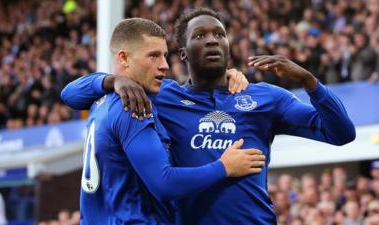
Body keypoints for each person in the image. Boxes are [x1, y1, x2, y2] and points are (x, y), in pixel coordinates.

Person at [61, 8, 356, 225]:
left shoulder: (267, 97)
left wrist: (309, 81)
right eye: (200, 36)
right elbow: (71, 94)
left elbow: (341, 134)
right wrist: (113, 81)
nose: (213, 40)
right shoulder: (160, 97)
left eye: (220, 34)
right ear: (183, 53)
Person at [61, 17, 266, 225]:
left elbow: (68, 94)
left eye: (165, 56)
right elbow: (164, 183)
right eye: (154, 56)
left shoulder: (100, 101)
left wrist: (113, 80)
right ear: (124, 58)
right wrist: (224, 167)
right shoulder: (133, 105)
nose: (165, 65)